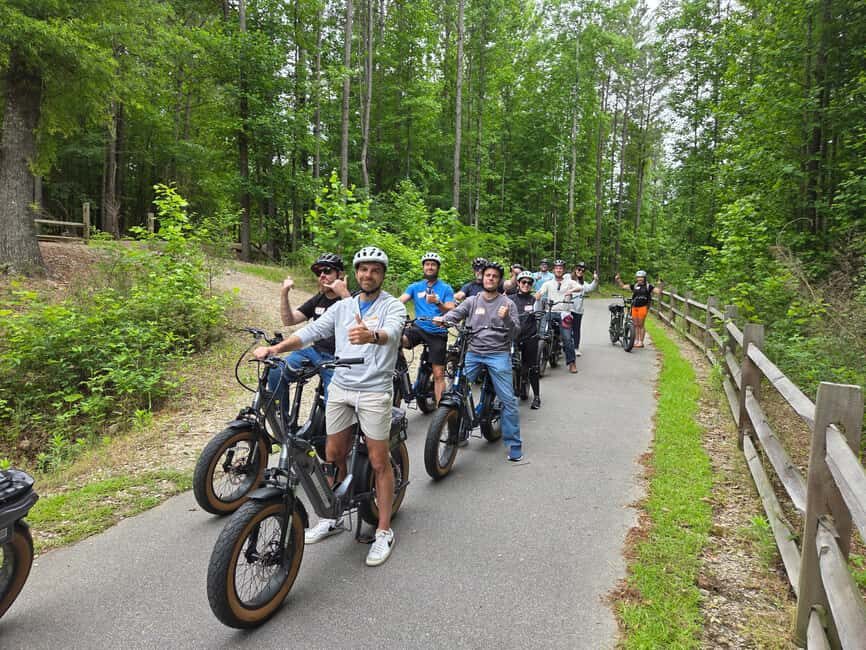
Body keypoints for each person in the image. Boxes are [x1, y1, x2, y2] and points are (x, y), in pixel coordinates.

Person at [254, 246, 406, 567]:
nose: (369, 275)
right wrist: (276, 349)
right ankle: (333, 516)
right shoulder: (342, 307)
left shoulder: (392, 306)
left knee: (379, 461)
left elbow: (391, 334)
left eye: (375, 270)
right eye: (363, 269)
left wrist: (372, 335)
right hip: (341, 388)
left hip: (374, 391)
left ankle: (383, 531)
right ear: (356, 273)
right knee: (333, 454)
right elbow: (309, 333)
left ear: (382, 274)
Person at [434, 260, 524, 462]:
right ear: (482, 278)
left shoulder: (507, 304)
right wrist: (444, 319)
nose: (490, 278)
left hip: (498, 354)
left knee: (508, 400)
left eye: (494, 276)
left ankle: (514, 443)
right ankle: (460, 429)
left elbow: (516, 332)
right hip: (473, 352)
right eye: (487, 275)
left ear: (499, 280)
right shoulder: (473, 301)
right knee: (455, 389)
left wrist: (507, 318)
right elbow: (455, 314)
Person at [268, 253, 351, 404]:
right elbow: (289, 320)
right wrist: (284, 293)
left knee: (334, 403)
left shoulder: (352, 299)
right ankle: (283, 424)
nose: (322, 276)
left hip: (338, 359)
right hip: (314, 352)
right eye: (318, 273)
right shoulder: (318, 299)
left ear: (340, 275)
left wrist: (344, 293)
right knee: (276, 371)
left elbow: (359, 323)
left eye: (327, 271)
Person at [399, 252, 455, 405]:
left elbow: (451, 310)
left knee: (438, 374)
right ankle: (400, 371)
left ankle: (440, 411)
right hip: (418, 328)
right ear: (423, 267)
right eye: (427, 264)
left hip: (437, 332)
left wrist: (438, 303)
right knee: (397, 339)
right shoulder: (415, 287)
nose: (430, 267)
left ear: (438, 268)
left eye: (433, 264)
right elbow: (400, 301)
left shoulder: (445, 288)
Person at [535, 259, 581, 373]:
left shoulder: (569, 282)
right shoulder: (548, 283)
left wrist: (571, 291)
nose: (559, 270)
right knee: (540, 334)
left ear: (563, 270)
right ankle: (537, 360)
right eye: (556, 268)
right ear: (553, 270)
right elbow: (540, 292)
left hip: (564, 313)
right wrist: (538, 295)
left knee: (567, 338)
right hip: (550, 311)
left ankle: (572, 363)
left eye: (561, 268)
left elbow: (580, 287)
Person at [509, 270, 542, 409]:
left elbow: (541, 314)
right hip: (513, 337)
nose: (526, 285)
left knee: (533, 367)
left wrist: (540, 302)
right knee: (509, 365)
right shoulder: (510, 299)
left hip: (530, 337)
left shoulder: (535, 299)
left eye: (529, 283)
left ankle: (537, 397)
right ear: (518, 283)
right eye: (523, 282)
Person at [614, 270, 662, 348]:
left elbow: (658, 292)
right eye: (638, 277)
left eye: (641, 277)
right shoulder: (635, 286)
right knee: (635, 325)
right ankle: (636, 340)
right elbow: (623, 286)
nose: (639, 279)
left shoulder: (648, 286)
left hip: (643, 307)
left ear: (644, 278)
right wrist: (618, 280)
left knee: (641, 324)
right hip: (634, 307)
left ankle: (641, 341)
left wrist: (660, 284)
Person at [569, 261, 598, 358]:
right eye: (579, 269)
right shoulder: (568, 279)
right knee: (566, 329)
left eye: (582, 270)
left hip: (578, 310)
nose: (580, 271)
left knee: (576, 329)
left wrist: (595, 280)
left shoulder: (583, 283)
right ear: (575, 269)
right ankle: (565, 346)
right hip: (567, 309)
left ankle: (576, 348)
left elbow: (590, 288)